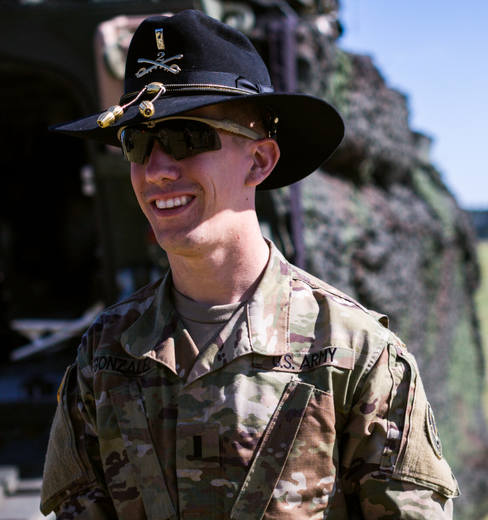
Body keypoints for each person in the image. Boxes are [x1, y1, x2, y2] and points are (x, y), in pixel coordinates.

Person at [40, 9, 458, 520]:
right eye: (138, 142)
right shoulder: (103, 356)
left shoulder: (355, 354)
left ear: (259, 161)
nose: (157, 170)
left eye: (185, 138)